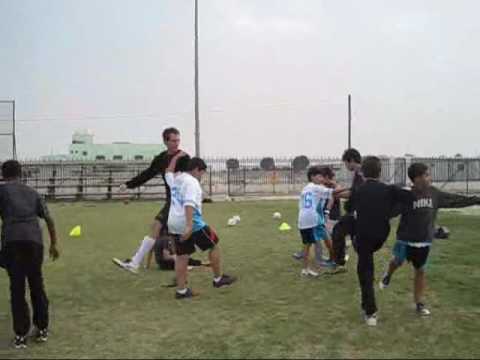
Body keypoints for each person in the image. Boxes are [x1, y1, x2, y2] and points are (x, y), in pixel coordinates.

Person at [379, 162, 480, 316]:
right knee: (397, 262)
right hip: (405, 240)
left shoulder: (435, 193)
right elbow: (390, 212)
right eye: (426, 175)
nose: (430, 177)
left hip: (424, 241)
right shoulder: (406, 196)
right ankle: (388, 274)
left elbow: (455, 200)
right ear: (417, 178)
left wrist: (476, 199)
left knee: (420, 271)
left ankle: (419, 303)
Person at [112, 127, 190, 273]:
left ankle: (136, 263)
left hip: (180, 201)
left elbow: (187, 180)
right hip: (171, 201)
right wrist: (128, 185)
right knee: (163, 231)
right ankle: (136, 263)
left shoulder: (184, 158)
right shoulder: (160, 159)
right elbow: (147, 174)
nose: (177, 143)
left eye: (178, 140)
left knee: (161, 228)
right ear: (165, 141)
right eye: (173, 140)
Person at [0, 160, 59, 349]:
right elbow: (49, 219)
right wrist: (54, 244)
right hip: (35, 242)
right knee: (36, 284)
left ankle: (20, 335)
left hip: (13, 242)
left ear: (3, 174)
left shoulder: (1, 190)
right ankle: (42, 329)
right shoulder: (32, 192)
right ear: (20, 174)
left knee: (17, 288)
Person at [165, 155, 237, 299]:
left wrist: (175, 157)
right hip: (192, 223)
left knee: (181, 256)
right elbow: (189, 203)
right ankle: (218, 279)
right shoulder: (192, 182)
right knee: (214, 245)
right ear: (197, 169)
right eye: (202, 172)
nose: (202, 176)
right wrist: (189, 226)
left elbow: (168, 172)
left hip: (173, 222)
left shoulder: (176, 179)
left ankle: (181, 291)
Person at [349, 156, 409, 326]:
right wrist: (389, 213)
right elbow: (406, 199)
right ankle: (366, 305)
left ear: (363, 172)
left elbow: (350, 210)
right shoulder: (389, 190)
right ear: (380, 172)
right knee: (366, 266)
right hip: (380, 237)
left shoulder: (359, 190)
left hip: (364, 238)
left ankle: (370, 312)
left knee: (365, 272)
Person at [330, 148, 365, 272]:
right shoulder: (359, 173)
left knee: (338, 231)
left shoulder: (361, 173)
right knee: (355, 241)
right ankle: (342, 261)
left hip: (358, 213)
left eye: (346, 163)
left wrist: (336, 195)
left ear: (351, 161)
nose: (346, 166)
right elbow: (352, 189)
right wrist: (338, 191)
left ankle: (340, 263)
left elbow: (354, 193)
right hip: (357, 213)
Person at [297, 166, 334, 277]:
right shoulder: (317, 188)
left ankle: (307, 268)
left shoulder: (307, 188)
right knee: (319, 241)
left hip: (306, 218)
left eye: (322, 176)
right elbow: (333, 194)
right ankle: (331, 260)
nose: (321, 178)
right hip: (314, 219)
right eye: (320, 176)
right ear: (312, 177)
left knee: (309, 244)